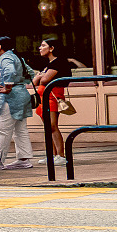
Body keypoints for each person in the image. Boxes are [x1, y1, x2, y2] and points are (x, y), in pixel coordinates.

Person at [0, 34, 35, 171]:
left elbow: (10, 71)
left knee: (2, 129)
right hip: (22, 94)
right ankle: (24, 159)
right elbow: (31, 73)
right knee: (20, 129)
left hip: (10, 98)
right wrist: (19, 83)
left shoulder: (5, 57)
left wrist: (8, 86)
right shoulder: (17, 57)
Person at [31, 36, 77, 167]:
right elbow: (35, 81)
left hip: (53, 97)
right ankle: (52, 155)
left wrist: (40, 76)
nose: (40, 48)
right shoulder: (49, 64)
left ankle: (60, 155)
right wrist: (40, 76)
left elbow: (44, 80)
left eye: (43, 46)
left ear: (51, 48)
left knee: (52, 126)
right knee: (47, 127)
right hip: (43, 98)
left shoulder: (58, 62)